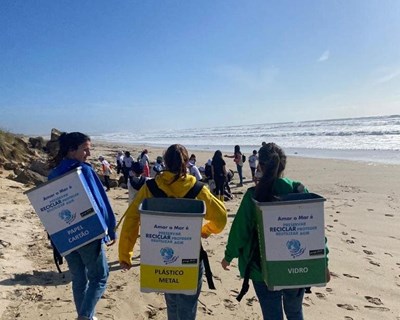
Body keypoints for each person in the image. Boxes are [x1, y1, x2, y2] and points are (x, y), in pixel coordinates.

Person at [221, 142, 330, 320]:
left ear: (260, 166)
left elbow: (240, 231)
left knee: (272, 316)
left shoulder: (253, 195)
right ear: (282, 166)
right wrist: (323, 261)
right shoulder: (297, 190)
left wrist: (228, 256)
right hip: (296, 266)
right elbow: (315, 231)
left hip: (262, 269)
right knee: (295, 312)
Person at [119, 144, 227, 320]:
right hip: (190, 257)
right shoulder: (198, 189)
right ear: (186, 162)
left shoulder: (150, 188)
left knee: (172, 303)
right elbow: (221, 218)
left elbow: (131, 219)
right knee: (187, 306)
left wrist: (125, 255)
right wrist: (205, 231)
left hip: (161, 259)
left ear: (165, 162)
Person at [48, 132, 117, 320]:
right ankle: (85, 316)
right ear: (72, 150)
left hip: (64, 235)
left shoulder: (53, 174)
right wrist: (110, 228)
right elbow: (100, 202)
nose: (88, 154)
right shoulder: (84, 170)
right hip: (89, 232)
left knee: (79, 278)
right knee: (99, 277)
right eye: (85, 149)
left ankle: (86, 315)